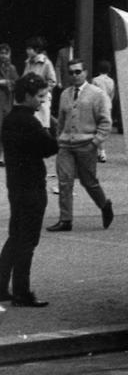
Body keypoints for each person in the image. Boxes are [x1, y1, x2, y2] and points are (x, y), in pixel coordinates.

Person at [0, 73, 59, 307]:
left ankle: (1, 287)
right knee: (28, 241)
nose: (43, 101)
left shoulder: (9, 119)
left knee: (15, 236)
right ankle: (22, 292)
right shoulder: (30, 122)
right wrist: (54, 128)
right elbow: (49, 147)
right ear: (27, 96)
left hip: (15, 185)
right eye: (40, 96)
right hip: (33, 187)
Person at [47, 59, 114, 233]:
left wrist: (95, 142)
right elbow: (61, 120)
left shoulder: (97, 94)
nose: (74, 76)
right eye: (71, 73)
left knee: (89, 182)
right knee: (64, 182)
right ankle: (65, 220)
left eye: (78, 72)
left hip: (87, 145)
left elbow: (106, 122)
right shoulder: (65, 94)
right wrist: (59, 138)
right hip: (66, 146)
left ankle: (105, 205)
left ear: (85, 73)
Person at [22, 37, 56, 130]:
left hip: (42, 97)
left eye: (29, 49)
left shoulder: (46, 63)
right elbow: (24, 77)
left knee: (43, 123)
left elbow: (52, 81)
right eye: (27, 48)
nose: (27, 51)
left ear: (36, 49)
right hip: (30, 97)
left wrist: (43, 92)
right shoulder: (28, 62)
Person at [91, 60, 117, 163]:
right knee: (103, 129)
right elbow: (112, 94)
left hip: (97, 105)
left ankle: (101, 151)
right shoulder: (111, 81)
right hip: (108, 105)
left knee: (96, 129)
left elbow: (92, 93)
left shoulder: (95, 80)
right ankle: (101, 152)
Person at [0, 43, 20, 165]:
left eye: (6, 53)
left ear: (10, 54)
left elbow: (17, 83)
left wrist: (7, 82)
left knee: (6, 128)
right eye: (1, 53)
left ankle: (5, 155)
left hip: (7, 101)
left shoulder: (12, 68)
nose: (3, 56)